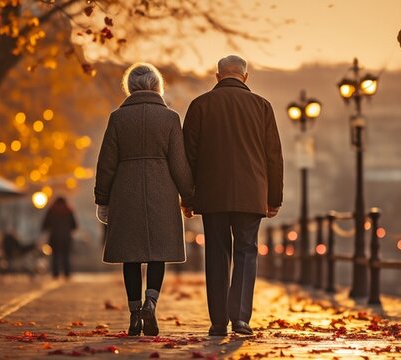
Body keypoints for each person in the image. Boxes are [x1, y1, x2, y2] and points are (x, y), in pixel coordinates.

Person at [182, 55, 283, 336]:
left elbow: (187, 156)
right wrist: (274, 197)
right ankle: (240, 318)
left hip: (212, 194)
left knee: (216, 252)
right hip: (251, 194)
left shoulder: (200, 105)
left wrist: (187, 197)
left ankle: (218, 321)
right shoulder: (262, 106)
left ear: (217, 76)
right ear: (245, 77)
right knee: (246, 251)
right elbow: (273, 156)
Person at [94, 63, 194, 337]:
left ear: (130, 86)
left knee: (131, 255)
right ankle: (151, 301)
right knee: (157, 252)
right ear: (157, 85)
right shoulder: (170, 118)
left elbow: (107, 163)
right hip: (161, 189)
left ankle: (134, 312)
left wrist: (103, 198)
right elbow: (180, 163)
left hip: (125, 191)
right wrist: (188, 196)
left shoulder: (117, 118)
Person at [41, 197, 77, 279]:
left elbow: (45, 225)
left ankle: (55, 274)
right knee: (66, 256)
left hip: (54, 237)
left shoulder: (51, 210)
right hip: (66, 238)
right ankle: (66, 274)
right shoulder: (69, 210)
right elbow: (74, 226)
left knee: (55, 256)